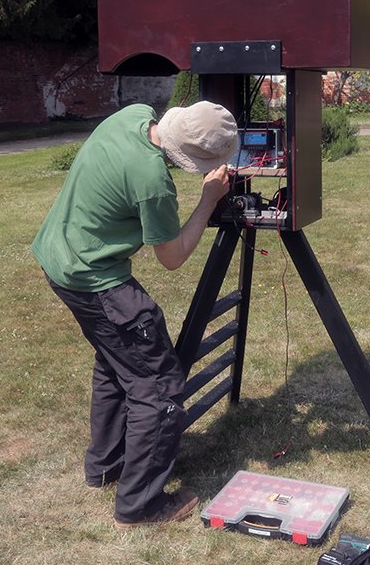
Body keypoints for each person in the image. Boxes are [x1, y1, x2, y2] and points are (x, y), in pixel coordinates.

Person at [31, 100, 237, 529]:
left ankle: (107, 467)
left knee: (116, 363)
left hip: (60, 259)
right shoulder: (153, 182)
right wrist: (208, 200)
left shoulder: (132, 114)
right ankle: (140, 505)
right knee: (158, 384)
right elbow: (173, 257)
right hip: (94, 278)